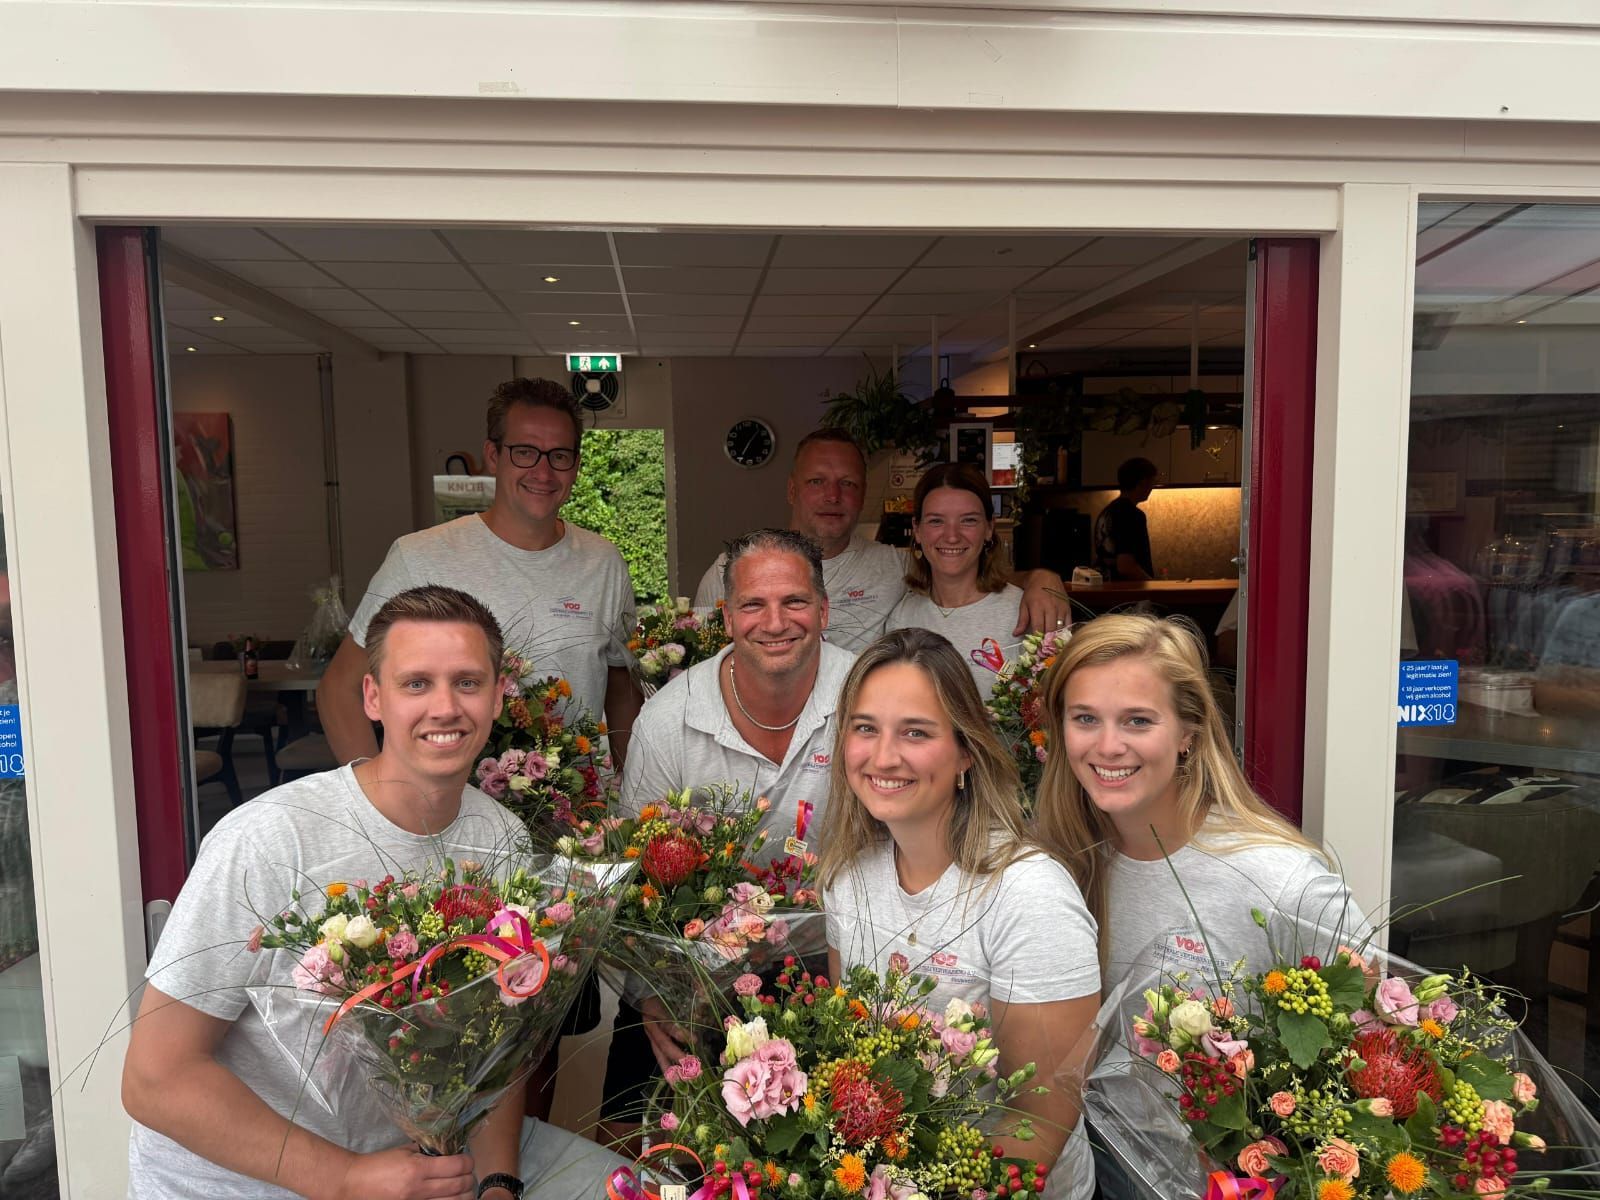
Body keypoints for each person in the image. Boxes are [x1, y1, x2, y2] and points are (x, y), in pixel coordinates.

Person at [122, 585, 625, 1200]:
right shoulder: (270, 839)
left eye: (467, 683)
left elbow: (496, 1046)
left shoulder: (500, 839)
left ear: (498, 696)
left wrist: (498, 1183)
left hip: (418, 1164)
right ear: (373, 697)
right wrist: (346, 1178)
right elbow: (155, 1078)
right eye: (416, 683)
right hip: (249, 1183)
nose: (445, 707)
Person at [818, 628, 1101, 1198]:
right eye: (865, 728)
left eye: (915, 732)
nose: (884, 756)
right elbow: (850, 1054)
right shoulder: (849, 876)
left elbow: (1038, 1122)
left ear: (965, 752)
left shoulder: (1028, 894)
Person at [600, 528, 854, 1140]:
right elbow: (635, 873)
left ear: (824, 611)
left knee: (809, 1145)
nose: (775, 622)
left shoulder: (866, 695)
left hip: (834, 963)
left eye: (794, 602)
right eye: (753, 604)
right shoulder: (670, 718)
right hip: (694, 966)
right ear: (727, 617)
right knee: (630, 1138)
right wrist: (654, 992)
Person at [319, 376, 642, 770]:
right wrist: (379, 793)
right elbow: (340, 689)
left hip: (574, 802)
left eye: (559, 455)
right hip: (442, 802)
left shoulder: (603, 563)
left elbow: (622, 691)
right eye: (525, 452)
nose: (543, 472)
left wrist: (629, 788)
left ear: (575, 465)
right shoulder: (418, 558)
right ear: (493, 455)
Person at [1032, 613, 1359, 993]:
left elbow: (1377, 1018)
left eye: (1138, 721)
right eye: (1086, 718)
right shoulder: (1049, 861)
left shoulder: (1285, 881)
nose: (1108, 747)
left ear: (1188, 731)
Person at [694, 428, 1069, 651]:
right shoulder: (732, 572)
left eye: (848, 484)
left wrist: (1042, 579)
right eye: (817, 482)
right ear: (792, 490)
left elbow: (963, 570)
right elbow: (697, 664)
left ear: (862, 495)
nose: (832, 496)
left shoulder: (895, 566)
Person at [885, 462, 1024, 692]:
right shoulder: (902, 618)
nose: (952, 536)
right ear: (917, 529)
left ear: (989, 528)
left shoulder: (1022, 614)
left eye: (968, 520)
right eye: (936, 521)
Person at [1092, 458, 1158, 582]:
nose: (1152, 487)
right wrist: (1152, 585)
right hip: (1128, 591)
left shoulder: (1106, 513)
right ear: (1143, 482)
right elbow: (1126, 566)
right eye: (1152, 482)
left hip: (1106, 587)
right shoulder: (1132, 515)